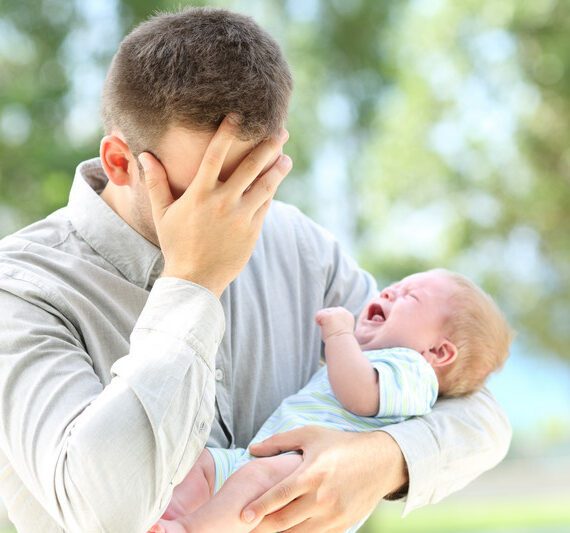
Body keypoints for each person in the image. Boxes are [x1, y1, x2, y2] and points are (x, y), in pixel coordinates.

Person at [0, 7, 511, 533]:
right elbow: (103, 511)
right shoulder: (20, 291)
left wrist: (381, 462)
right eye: (208, 183)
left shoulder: (300, 246)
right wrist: (193, 284)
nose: (234, 207)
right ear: (121, 163)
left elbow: (479, 412)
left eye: (256, 176)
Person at [149, 269, 513, 533]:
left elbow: (359, 395)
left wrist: (339, 333)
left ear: (439, 351)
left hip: (306, 473)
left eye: (409, 297)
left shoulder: (413, 371)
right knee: (204, 464)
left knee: (252, 483)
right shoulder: (378, 356)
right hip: (263, 460)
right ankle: (164, 517)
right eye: (393, 287)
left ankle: (187, 529)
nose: (388, 293)